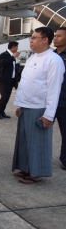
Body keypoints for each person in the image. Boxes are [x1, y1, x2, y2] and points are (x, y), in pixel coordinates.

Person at [12, 27, 64, 184]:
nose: (31, 40)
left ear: (45, 39)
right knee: (25, 141)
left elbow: (54, 89)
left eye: (34, 37)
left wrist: (48, 115)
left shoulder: (53, 60)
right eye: (31, 38)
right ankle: (26, 168)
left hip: (39, 108)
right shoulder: (32, 58)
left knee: (37, 142)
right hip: (27, 106)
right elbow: (26, 83)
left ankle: (36, 173)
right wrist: (20, 104)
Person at [0, 41, 20, 119]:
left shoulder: (12, 56)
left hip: (11, 80)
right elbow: (3, 63)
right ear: (13, 47)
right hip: (4, 80)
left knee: (7, 97)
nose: (17, 48)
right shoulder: (4, 55)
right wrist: (13, 58)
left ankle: (2, 112)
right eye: (16, 47)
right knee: (4, 96)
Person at [53, 27, 66, 170]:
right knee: (42, 131)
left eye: (59, 36)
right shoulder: (51, 55)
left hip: (64, 102)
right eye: (55, 36)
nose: (55, 38)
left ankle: (65, 159)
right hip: (50, 101)